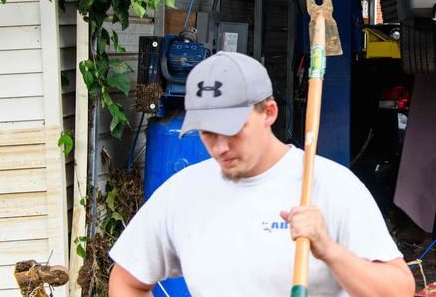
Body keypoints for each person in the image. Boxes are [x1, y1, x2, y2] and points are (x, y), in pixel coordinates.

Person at [109, 51, 415, 297]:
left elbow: (399, 289)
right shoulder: (182, 192)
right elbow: (126, 281)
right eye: (207, 133)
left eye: (232, 129)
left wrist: (330, 251)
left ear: (268, 112)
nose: (219, 147)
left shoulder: (331, 186)